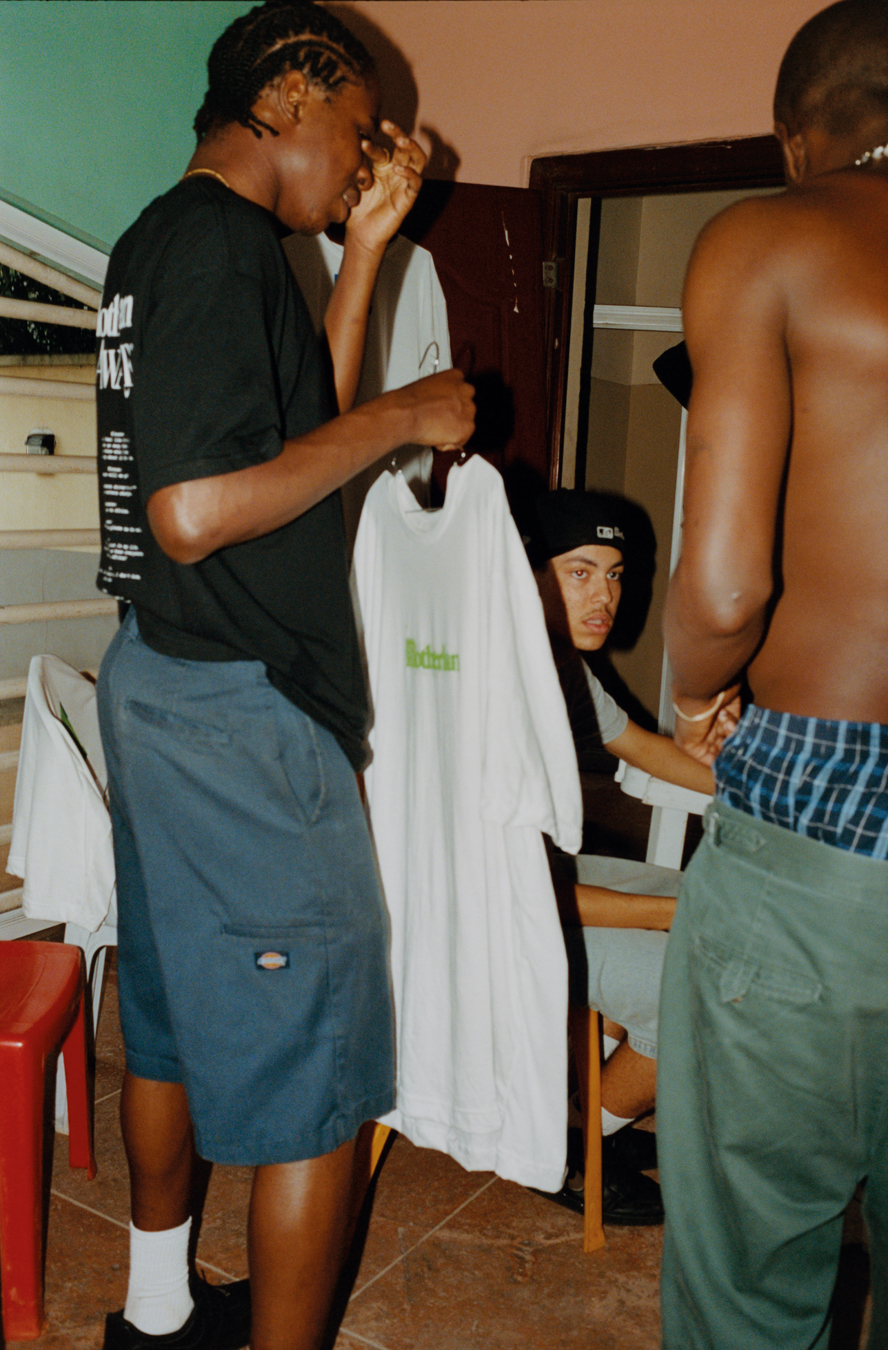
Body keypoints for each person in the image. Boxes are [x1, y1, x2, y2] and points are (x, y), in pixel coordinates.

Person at [93, 5, 474, 1350]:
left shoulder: (167, 240)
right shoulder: (218, 245)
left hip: (162, 675)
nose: (370, 157)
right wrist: (407, 415)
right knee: (317, 1067)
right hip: (241, 709)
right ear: (292, 92)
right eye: (360, 127)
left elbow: (288, 446)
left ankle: (152, 1310)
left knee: (177, 1011)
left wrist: (363, 255)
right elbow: (198, 509)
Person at [659, 3, 888, 1345]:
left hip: (813, 832)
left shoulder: (768, 237)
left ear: (795, 131)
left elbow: (726, 586)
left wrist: (697, 692)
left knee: (752, 1289)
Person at [525, 489, 727, 1226]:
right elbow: (524, 891)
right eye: (579, 572)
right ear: (529, 573)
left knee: (681, 897)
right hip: (489, 912)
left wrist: (770, 790)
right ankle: (576, 1151)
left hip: (542, 880)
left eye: (613, 574)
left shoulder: (562, 665)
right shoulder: (496, 685)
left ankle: (590, 1114)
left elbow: (642, 748)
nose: (604, 595)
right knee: (697, 992)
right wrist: (672, 917)